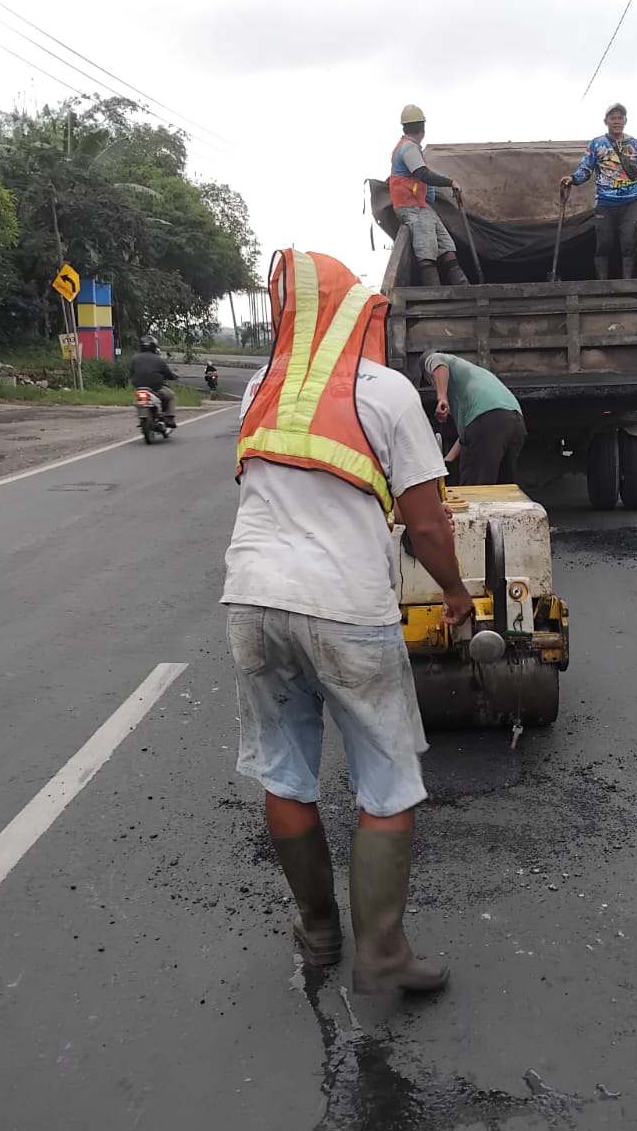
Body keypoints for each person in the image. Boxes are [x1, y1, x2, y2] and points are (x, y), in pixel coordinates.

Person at [225, 247, 473, 995]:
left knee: (286, 772)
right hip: (345, 608)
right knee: (388, 784)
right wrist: (456, 595)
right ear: (355, 314)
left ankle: (319, 933)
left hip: (251, 599)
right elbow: (427, 525)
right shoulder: (389, 392)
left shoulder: (258, 387)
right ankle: (382, 955)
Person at [559, 102, 637, 281]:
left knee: (628, 244)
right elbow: (586, 168)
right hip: (605, 202)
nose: (617, 121)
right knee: (604, 244)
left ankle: (628, 283)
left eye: (620, 118)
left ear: (625, 121)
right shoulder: (597, 144)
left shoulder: (634, 144)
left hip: (630, 202)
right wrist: (573, 179)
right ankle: (602, 283)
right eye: (613, 118)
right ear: (606, 121)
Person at [390, 104, 469, 286]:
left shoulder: (412, 150)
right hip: (410, 208)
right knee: (426, 248)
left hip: (420, 206)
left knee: (445, 244)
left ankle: (463, 287)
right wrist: (450, 182)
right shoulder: (408, 148)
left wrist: (432, 194)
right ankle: (434, 292)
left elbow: (423, 183)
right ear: (422, 128)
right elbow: (422, 174)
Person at [421, 350, 526, 486]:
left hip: (489, 422)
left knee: (475, 489)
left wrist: (442, 398)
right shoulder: (471, 379)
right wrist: (447, 461)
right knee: (503, 489)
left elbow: (438, 363)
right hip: (515, 421)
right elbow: (467, 435)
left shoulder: (436, 359)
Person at [129, 335, 178, 424]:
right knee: (171, 396)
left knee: (136, 401)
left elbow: (131, 373)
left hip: (139, 388)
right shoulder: (158, 359)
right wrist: (173, 377)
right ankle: (170, 418)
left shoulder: (134, 358)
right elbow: (168, 373)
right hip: (156, 388)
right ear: (154, 346)